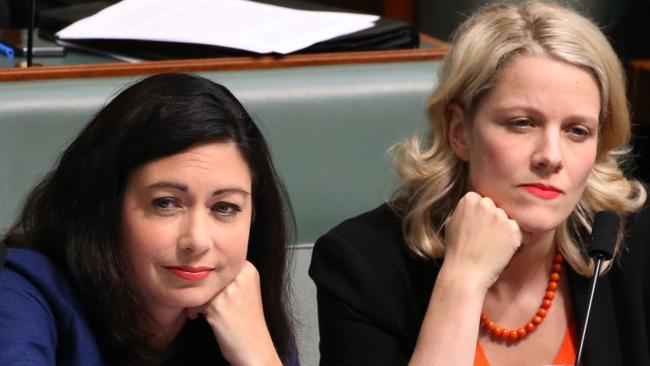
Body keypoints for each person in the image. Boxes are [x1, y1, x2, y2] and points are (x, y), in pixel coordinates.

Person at [309, 1, 649, 365]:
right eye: (522, 123)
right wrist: (462, 281)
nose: (551, 156)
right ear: (460, 132)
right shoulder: (362, 265)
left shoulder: (629, 244)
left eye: (577, 131)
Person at [0, 73, 298, 365]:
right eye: (166, 203)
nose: (196, 240)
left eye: (224, 208)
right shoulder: (20, 294)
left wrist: (259, 358)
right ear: (105, 207)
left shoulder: (247, 318)